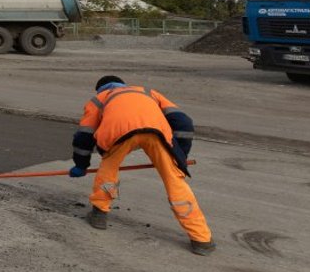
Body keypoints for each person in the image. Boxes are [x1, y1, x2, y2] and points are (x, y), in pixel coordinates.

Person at [70, 75, 216, 255]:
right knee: (175, 182)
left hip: (117, 135)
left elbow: (84, 136)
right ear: (123, 85)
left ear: (101, 89)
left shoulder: (99, 99)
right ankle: (201, 239)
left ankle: (99, 215)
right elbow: (184, 122)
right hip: (157, 133)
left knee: (108, 170)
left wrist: (81, 165)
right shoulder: (148, 92)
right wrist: (179, 157)